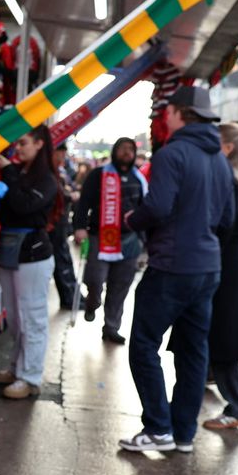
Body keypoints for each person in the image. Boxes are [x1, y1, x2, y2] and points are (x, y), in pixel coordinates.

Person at [119, 85, 234, 453]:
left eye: (167, 110)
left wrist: (131, 219)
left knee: (143, 345)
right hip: (207, 267)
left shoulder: (172, 154)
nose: (163, 116)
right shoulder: (220, 160)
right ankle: (183, 433)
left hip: (172, 265)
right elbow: (228, 218)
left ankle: (158, 428)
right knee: (193, 351)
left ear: (180, 113)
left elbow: (157, 207)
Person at [0, 125, 57, 399]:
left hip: (32, 254)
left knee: (32, 317)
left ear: (39, 144)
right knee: (15, 318)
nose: (18, 148)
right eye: (16, 144)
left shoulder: (47, 179)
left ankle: (30, 377)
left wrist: (8, 173)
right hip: (10, 250)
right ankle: (17, 368)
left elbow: (22, 205)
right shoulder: (18, 172)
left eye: (23, 143)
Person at [202, 123, 238, 430]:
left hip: (227, 262)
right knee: (222, 334)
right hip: (233, 261)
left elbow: (224, 226)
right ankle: (234, 402)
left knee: (224, 336)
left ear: (228, 147)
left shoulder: (232, 180)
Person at [72, 136, 147, 344]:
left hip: (129, 240)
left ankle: (111, 327)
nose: (127, 152)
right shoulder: (98, 175)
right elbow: (83, 203)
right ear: (115, 151)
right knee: (95, 279)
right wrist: (79, 227)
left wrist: (144, 242)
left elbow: (145, 208)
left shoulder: (139, 179)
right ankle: (92, 303)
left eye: (130, 149)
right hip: (100, 237)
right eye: (123, 148)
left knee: (120, 285)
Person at [50, 142, 79, 309]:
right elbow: (60, 194)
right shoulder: (51, 172)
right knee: (61, 259)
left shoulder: (60, 171)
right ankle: (68, 297)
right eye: (60, 153)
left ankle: (72, 296)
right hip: (55, 224)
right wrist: (70, 195)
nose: (62, 156)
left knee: (64, 258)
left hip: (61, 222)